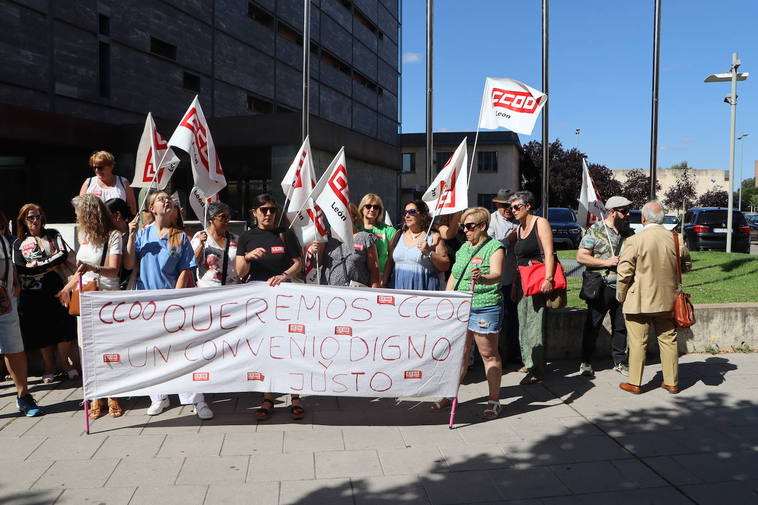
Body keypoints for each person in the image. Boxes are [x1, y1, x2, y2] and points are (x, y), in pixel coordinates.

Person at [124, 191, 213, 420]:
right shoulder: (142, 234)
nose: (167, 201)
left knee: (182, 351)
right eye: (161, 199)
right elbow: (128, 263)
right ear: (152, 208)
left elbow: (185, 269)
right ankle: (159, 397)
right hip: (146, 303)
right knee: (153, 352)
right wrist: (131, 235)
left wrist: (175, 298)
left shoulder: (180, 237)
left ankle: (196, 399)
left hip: (172, 303)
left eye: (169, 200)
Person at [235, 194, 304, 421]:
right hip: (259, 303)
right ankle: (267, 397)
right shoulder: (246, 237)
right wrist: (248, 256)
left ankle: (295, 395)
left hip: (285, 299)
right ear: (254, 212)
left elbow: (298, 263)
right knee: (264, 348)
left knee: (289, 346)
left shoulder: (285, 233)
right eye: (263, 210)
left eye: (272, 210)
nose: (268, 214)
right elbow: (240, 272)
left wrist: (284, 276)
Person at [58, 195, 124, 418]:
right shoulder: (83, 234)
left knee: (108, 347)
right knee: (86, 348)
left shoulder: (114, 235)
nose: (75, 216)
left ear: (88, 213)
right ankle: (95, 395)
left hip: (105, 298)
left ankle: (113, 393)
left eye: (78, 212)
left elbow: (114, 269)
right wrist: (67, 288)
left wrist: (94, 267)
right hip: (84, 296)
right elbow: (79, 270)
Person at [617, 200, 691, 395]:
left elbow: (624, 272)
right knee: (668, 340)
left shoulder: (634, 240)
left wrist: (621, 295)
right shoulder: (676, 238)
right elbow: (686, 265)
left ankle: (634, 382)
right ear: (662, 218)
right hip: (668, 300)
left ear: (643, 219)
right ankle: (672, 382)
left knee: (637, 342)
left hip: (639, 300)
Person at [439, 207, 505, 419]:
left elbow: (497, 274)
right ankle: (450, 395)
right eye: (463, 227)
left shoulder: (495, 247)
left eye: (469, 226)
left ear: (482, 226)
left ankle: (494, 400)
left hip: (484, 305)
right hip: (460, 307)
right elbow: (454, 276)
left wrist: (483, 277)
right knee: (460, 355)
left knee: (488, 354)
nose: (465, 231)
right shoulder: (464, 248)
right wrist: (445, 299)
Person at [12, 204, 79, 383]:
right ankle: (49, 366)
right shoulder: (18, 242)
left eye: (38, 216)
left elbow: (63, 254)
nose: (35, 221)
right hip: (32, 293)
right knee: (41, 331)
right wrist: (48, 265)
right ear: (23, 221)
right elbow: (19, 268)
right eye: (30, 218)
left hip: (56, 288)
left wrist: (39, 265)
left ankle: (66, 363)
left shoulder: (53, 234)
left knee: (64, 326)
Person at [576, 196, 633, 378]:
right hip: (601, 286)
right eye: (623, 211)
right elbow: (581, 257)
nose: (628, 214)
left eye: (628, 210)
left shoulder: (629, 234)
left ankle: (619, 361)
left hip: (623, 286)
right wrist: (605, 262)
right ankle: (586, 362)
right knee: (592, 325)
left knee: (621, 326)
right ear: (612, 212)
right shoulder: (596, 230)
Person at [510, 191, 555, 385]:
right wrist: (513, 285)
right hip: (522, 282)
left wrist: (549, 278)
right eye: (511, 208)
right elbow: (518, 260)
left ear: (528, 206)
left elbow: (549, 252)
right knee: (523, 323)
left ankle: (536, 368)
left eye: (516, 207)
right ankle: (528, 361)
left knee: (535, 325)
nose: (513, 211)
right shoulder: (519, 229)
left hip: (537, 281)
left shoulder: (540, 222)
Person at [0, 231, 43, 416]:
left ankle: (23, 396)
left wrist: (15, 281)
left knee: (15, 348)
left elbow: (8, 264)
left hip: (6, 300)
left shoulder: (2, 239)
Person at [383, 200, 449, 290]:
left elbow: (445, 265)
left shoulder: (433, 236)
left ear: (423, 216)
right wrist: (383, 283)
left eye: (412, 212)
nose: (407, 215)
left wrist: (429, 252)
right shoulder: (398, 235)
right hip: (398, 288)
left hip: (424, 290)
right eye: (405, 212)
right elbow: (390, 262)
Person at [487, 189, 520, 364]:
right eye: (504, 206)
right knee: (499, 320)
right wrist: (509, 240)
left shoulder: (520, 220)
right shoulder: (491, 221)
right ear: (497, 205)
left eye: (511, 206)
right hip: (497, 280)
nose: (508, 209)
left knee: (514, 320)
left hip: (516, 279)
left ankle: (514, 354)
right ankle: (500, 355)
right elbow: (490, 248)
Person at [315, 203, 380, 288]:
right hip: (329, 294)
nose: (340, 217)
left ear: (354, 217)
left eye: (344, 214)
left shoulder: (365, 238)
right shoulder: (327, 239)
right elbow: (316, 264)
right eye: (338, 214)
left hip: (356, 295)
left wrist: (373, 293)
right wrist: (317, 248)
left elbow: (374, 269)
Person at [191, 201, 239, 288]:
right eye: (222, 217)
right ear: (211, 219)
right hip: (209, 292)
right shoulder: (200, 236)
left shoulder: (235, 239)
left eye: (228, 216)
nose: (227, 220)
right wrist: (201, 245)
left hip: (232, 291)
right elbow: (192, 262)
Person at [79, 151, 137, 217]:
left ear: (111, 166)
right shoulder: (89, 182)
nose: (97, 170)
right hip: (94, 225)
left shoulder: (123, 182)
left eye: (100, 168)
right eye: (94, 167)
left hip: (117, 225)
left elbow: (132, 209)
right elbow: (80, 208)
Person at [357, 194, 396, 284]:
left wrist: (384, 279)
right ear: (362, 208)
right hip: (358, 278)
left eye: (376, 207)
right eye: (368, 206)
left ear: (380, 210)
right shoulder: (355, 228)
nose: (372, 209)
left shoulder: (388, 231)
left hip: (380, 278)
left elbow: (391, 258)